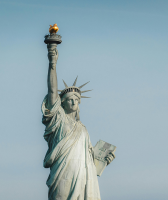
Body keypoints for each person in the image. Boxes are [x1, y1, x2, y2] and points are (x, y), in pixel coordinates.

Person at [41, 44, 115, 200]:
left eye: (76, 100)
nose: (74, 103)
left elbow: (91, 161)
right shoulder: (58, 120)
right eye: (69, 100)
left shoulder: (83, 129)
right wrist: (52, 63)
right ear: (62, 103)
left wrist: (104, 161)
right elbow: (53, 91)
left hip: (84, 178)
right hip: (63, 174)